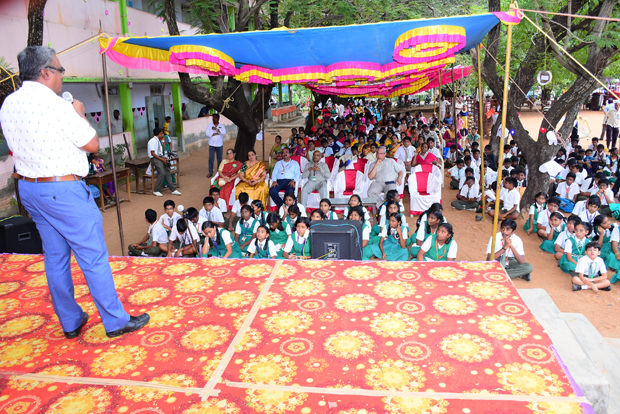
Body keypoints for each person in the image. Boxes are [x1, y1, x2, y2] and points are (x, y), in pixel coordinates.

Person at [0, 46, 148, 338]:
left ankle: (70, 321)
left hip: (30, 188)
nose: (62, 76)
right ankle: (116, 321)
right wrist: (79, 114)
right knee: (93, 256)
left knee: (55, 257)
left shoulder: (9, 104)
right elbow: (92, 144)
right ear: (45, 72)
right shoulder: (56, 105)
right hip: (63, 191)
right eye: (60, 70)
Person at [148, 128, 181, 197]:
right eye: (162, 134)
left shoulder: (158, 140)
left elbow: (159, 152)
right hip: (154, 158)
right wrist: (162, 160)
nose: (163, 135)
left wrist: (164, 158)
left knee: (167, 172)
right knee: (162, 173)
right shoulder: (153, 141)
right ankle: (156, 190)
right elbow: (153, 153)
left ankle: (173, 190)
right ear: (159, 134)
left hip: (160, 157)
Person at [206, 113, 226, 178]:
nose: (214, 119)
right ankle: (210, 172)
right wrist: (213, 134)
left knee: (219, 159)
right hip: (211, 145)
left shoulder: (221, 126)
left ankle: (219, 172)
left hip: (219, 145)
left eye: (215, 118)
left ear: (218, 119)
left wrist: (217, 129)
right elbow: (207, 133)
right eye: (213, 118)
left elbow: (224, 133)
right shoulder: (209, 125)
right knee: (211, 158)